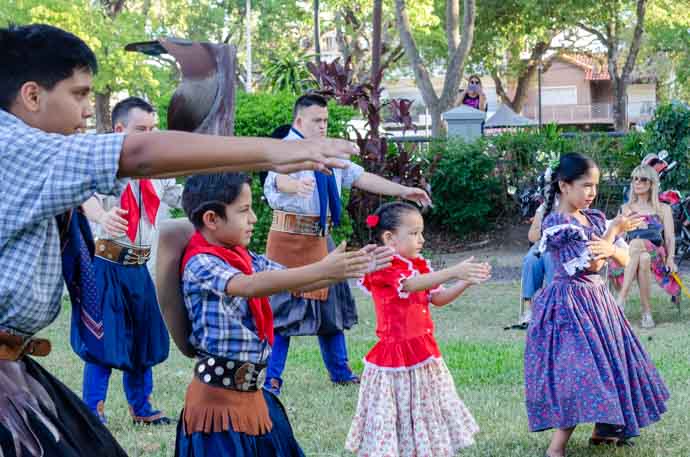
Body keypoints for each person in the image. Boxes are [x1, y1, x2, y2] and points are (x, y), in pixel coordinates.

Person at [0, 23, 356, 457]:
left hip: (15, 365)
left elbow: (163, 190)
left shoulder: (37, 157)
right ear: (32, 96)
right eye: (79, 94)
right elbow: (138, 155)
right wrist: (276, 150)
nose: (88, 111)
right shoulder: (12, 147)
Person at [175, 172, 392, 456]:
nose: (253, 218)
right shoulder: (201, 262)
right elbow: (250, 285)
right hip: (218, 407)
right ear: (212, 219)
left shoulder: (242, 257)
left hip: (251, 395)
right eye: (244, 210)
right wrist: (322, 268)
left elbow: (294, 281)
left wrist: (345, 268)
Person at [263, 94, 431, 393]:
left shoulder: (327, 152)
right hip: (288, 238)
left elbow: (360, 177)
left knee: (331, 309)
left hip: (321, 237)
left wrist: (403, 191)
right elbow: (275, 180)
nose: (323, 126)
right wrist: (295, 185)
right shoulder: (286, 149)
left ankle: (340, 371)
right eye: (317, 120)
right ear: (299, 120)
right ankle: (271, 378)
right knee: (281, 311)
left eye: (325, 120)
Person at [524, 153, 669, 457]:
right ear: (564, 186)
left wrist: (611, 241)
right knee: (580, 371)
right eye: (586, 185)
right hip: (569, 305)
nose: (592, 192)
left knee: (614, 361)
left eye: (595, 186)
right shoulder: (557, 223)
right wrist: (613, 232)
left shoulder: (594, 219)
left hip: (598, 302)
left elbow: (624, 258)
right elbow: (589, 264)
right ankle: (556, 448)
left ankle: (605, 431)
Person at [345, 202, 490, 456]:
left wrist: (465, 281)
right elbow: (410, 285)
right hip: (395, 357)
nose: (421, 239)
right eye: (414, 233)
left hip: (423, 350)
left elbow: (438, 298)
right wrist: (453, 271)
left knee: (426, 407)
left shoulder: (418, 265)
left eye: (421, 232)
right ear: (389, 238)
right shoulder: (381, 266)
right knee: (398, 410)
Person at [77, 97, 181, 425]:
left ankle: (142, 407)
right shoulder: (103, 163)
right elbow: (82, 195)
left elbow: (174, 194)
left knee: (142, 338)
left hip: (139, 267)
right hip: (106, 264)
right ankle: (93, 411)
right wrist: (102, 216)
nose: (149, 135)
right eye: (141, 129)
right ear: (120, 129)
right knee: (103, 340)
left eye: (152, 128)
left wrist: (208, 192)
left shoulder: (157, 166)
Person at [609, 164, 679, 328]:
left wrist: (671, 259)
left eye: (642, 179)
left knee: (637, 243)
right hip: (633, 255)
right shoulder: (625, 208)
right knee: (643, 257)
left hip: (657, 253)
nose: (637, 182)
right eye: (634, 179)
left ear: (652, 183)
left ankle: (621, 300)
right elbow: (619, 237)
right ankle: (647, 314)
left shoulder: (663, 208)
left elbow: (669, 237)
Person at [519, 203, 555, 324]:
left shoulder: (574, 201)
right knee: (531, 259)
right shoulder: (545, 206)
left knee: (551, 258)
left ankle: (554, 307)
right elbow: (532, 237)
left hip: (562, 246)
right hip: (542, 244)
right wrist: (540, 222)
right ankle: (530, 309)